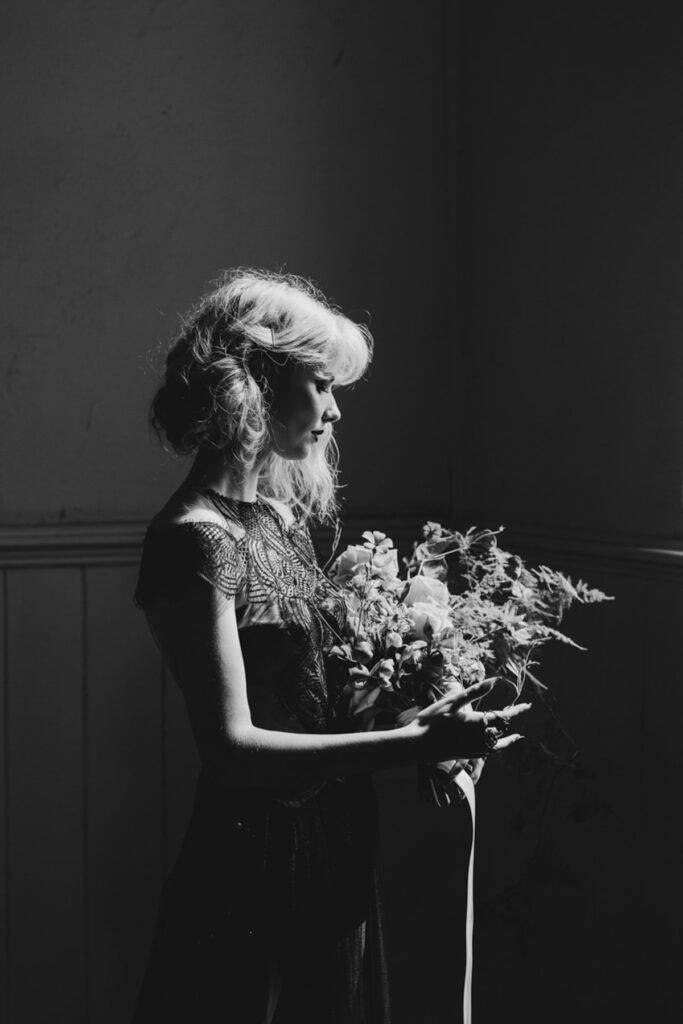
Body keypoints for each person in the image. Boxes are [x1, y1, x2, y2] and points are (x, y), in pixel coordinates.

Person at [132, 268, 527, 1023]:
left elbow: (318, 693)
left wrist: (423, 712)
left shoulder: (278, 522)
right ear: (254, 383)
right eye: (321, 383)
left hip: (332, 841)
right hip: (251, 858)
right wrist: (404, 745)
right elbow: (232, 747)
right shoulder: (192, 542)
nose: (335, 409)